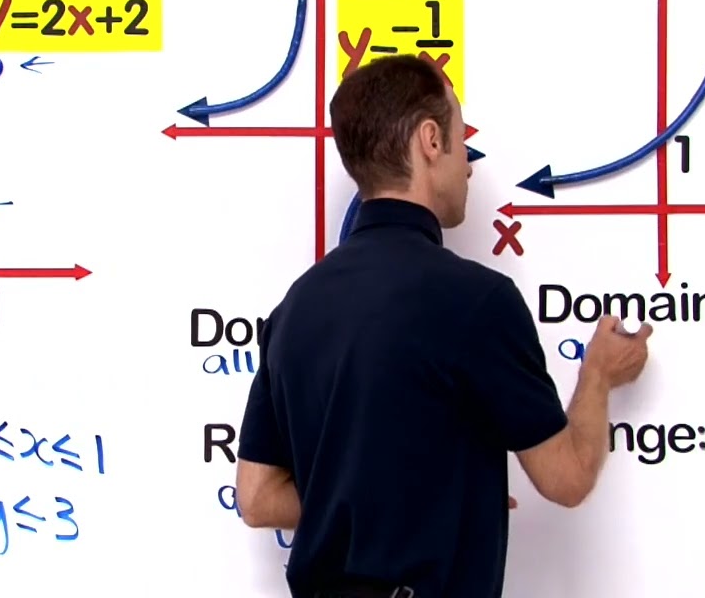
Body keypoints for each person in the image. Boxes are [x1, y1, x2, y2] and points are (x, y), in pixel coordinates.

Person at [234, 54, 653, 598]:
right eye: (461, 136)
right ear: (430, 141)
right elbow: (567, 477)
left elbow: (257, 495)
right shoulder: (478, 301)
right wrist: (598, 375)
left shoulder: (296, 307)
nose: (470, 166)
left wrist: (421, 498)